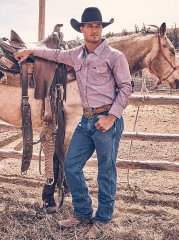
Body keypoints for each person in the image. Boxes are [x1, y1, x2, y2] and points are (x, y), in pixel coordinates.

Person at [14, 7, 132, 239]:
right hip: (86, 120)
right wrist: (30, 50)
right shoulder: (76, 54)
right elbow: (55, 56)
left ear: (102, 29)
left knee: (106, 172)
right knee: (70, 165)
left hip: (107, 119)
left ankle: (103, 220)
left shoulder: (115, 56)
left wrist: (111, 117)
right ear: (82, 28)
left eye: (98, 26)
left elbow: (126, 87)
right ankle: (82, 212)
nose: (94, 30)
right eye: (89, 26)